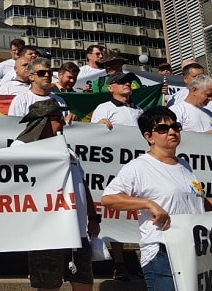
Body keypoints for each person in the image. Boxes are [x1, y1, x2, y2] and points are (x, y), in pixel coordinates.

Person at [102, 106, 211, 290]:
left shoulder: (184, 165)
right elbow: (109, 198)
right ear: (149, 137)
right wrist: (148, 204)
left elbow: (197, 203)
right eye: (163, 129)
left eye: (175, 127)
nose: (172, 132)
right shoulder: (138, 167)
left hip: (194, 251)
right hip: (163, 252)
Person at [12, 99, 100, 291]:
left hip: (78, 232)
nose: (62, 123)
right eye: (58, 118)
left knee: (84, 284)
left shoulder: (68, 149)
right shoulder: (20, 149)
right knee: (48, 286)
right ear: (43, 121)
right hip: (46, 233)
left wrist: (93, 217)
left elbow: (82, 185)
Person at [90, 71, 143, 280]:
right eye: (120, 82)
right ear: (110, 88)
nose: (126, 84)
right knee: (118, 213)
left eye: (128, 81)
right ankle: (119, 263)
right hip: (113, 170)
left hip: (136, 168)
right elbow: (91, 137)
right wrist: (100, 125)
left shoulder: (139, 110)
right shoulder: (104, 108)